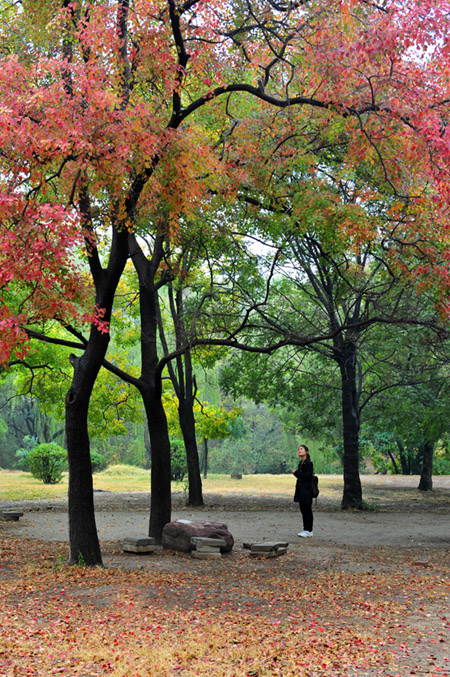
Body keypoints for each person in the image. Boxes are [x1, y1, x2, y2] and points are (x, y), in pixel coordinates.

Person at [291, 444, 314, 538]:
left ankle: (309, 530)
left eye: (301, 449)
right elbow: (301, 476)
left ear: (306, 452)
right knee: (303, 510)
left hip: (307, 490)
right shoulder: (301, 463)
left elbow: (307, 476)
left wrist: (296, 472)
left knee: (307, 510)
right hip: (301, 490)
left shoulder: (309, 463)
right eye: (298, 449)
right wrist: (296, 473)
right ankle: (305, 529)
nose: (299, 451)